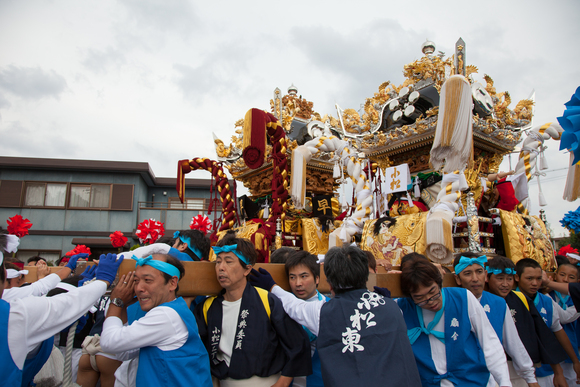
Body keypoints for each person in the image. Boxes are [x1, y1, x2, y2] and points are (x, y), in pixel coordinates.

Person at [250, 245, 422, 387]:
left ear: (329, 282)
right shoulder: (392, 306)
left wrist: (272, 286)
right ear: (365, 275)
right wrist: (386, 300)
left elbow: (294, 306)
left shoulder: (323, 312)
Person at [0, 232, 124, 386]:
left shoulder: (11, 303)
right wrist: (103, 280)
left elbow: (41, 287)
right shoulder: (15, 314)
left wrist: (71, 270)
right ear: (4, 274)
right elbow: (65, 304)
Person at [194, 235, 312, 387]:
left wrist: (282, 383)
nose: (221, 268)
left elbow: (298, 344)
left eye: (229, 262)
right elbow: (198, 352)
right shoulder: (207, 307)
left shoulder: (267, 301)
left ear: (247, 269)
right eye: (218, 262)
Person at [100, 253, 212, 387]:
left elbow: (109, 343)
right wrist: (122, 306)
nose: (139, 288)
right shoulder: (175, 310)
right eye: (136, 281)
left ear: (172, 283)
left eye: (148, 280)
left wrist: (116, 301)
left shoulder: (166, 315)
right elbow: (123, 352)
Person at [397, 255, 510, 387]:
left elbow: (489, 342)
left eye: (433, 292)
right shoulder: (401, 308)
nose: (431, 301)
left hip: (470, 381)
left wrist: (504, 382)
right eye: (420, 298)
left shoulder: (463, 298)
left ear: (439, 283)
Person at [452, 253, 538, 387]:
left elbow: (513, 342)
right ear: (457, 279)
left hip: (494, 376)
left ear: (485, 275)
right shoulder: (451, 304)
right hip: (462, 378)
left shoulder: (498, 303)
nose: (475, 278)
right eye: (467, 273)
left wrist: (530, 377)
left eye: (479, 272)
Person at [515, 258, 580, 386]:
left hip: (549, 369)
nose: (535, 283)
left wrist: (575, 362)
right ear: (517, 277)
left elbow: (558, 330)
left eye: (539, 279)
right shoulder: (509, 300)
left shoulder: (546, 300)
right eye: (529, 279)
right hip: (521, 373)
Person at [284, 250, 328, 387]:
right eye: (292, 277)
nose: (298, 283)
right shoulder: (281, 306)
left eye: (304, 276)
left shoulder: (328, 307)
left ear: (317, 278)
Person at [2, 253, 90, 301]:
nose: (19, 283)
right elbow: (41, 291)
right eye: (17, 281)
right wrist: (69, 267)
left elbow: (40, 287)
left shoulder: (7, 295)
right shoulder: (7, 296)